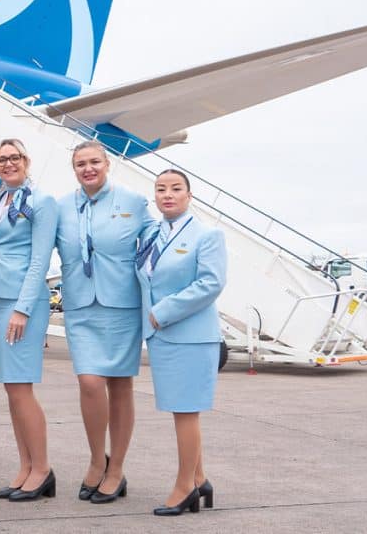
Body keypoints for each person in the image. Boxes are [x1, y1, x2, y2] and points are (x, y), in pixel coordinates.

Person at [54, 140, 154, 503]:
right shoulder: (61, 207)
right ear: (74, 169)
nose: (88, 168)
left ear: (107, 164)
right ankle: (98, 459)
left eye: (94, 161)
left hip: (122, 304)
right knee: (90, 382)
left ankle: (116, 469)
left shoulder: (134, 202)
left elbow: (158, 244)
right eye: (81, 163)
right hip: (80, 305)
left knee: (121, 385)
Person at [135, 169, 226, 516]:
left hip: (191, 337)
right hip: (162, 337)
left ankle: (185, 486)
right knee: (180, 410)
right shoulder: (152, 235)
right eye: (161, 189)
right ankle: (199, 479)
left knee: (186, 413)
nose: (167, 195)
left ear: (189, 196)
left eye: (175, 189)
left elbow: (211, 283)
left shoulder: (207, 235)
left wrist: (162, 312)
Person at [0, 139, 58, 501]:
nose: (8, 163)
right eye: (1, 159)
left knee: (22, 389)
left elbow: (40, 259)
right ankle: (25, 467)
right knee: (12, 390)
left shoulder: (41, 201)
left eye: (14, 157)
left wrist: (23, 309)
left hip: (21, 304)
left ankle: (42, 469)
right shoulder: (1, 200)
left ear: (26, 161)